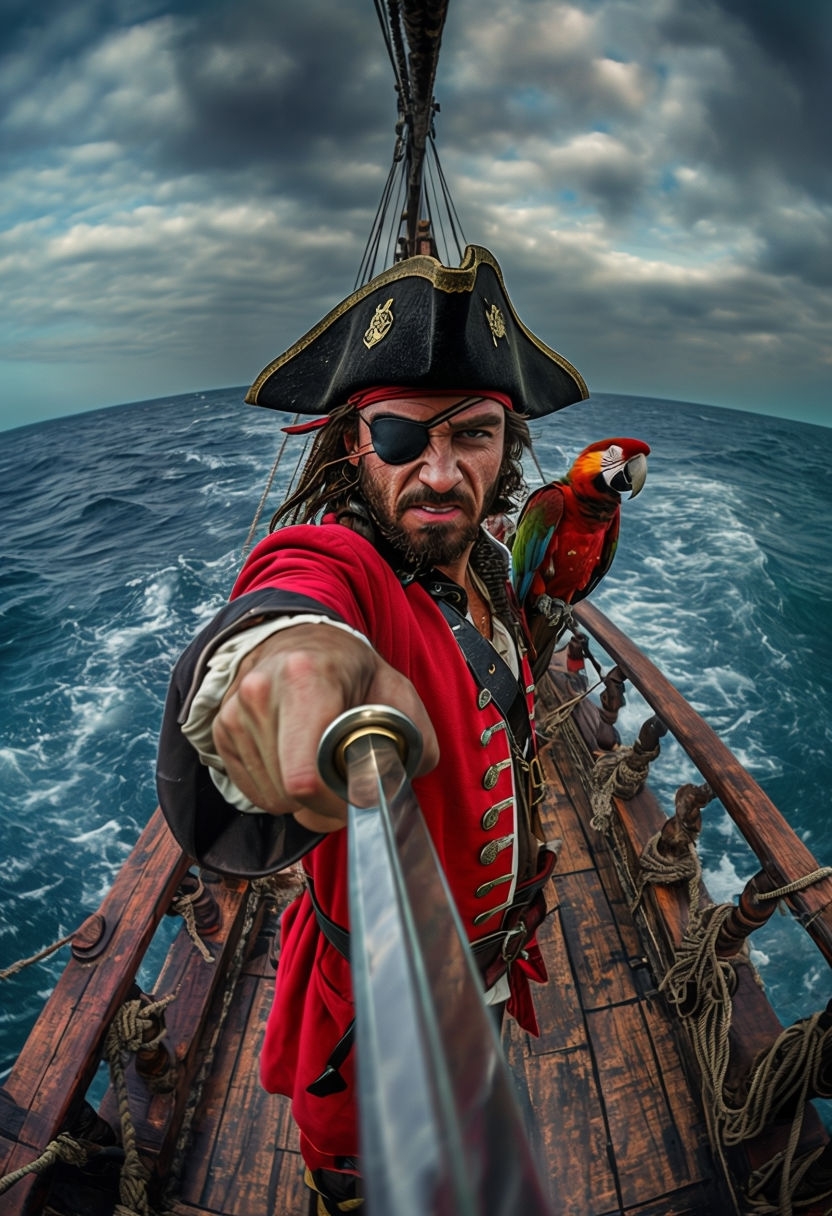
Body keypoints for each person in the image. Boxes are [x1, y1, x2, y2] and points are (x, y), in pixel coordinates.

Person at [157, 244, 588, 1215]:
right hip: (370, 1035)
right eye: (400, 436)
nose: (438, 472)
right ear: (354, 445)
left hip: (489, 966)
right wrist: (282, 664)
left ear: (506, 447)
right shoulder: (349, 563)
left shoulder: (488, 566)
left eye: (473, 435)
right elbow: (293, 593)